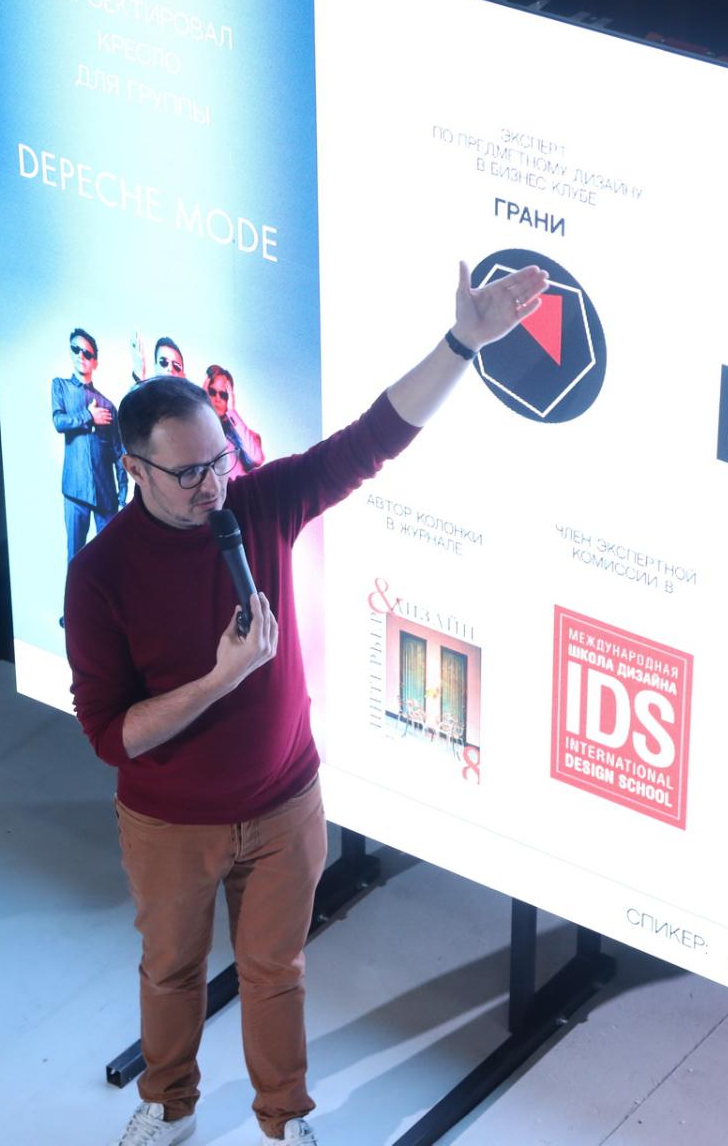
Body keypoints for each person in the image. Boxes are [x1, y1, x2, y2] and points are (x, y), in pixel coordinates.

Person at [65, 261, 548, 1146]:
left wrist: (462, 344)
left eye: (218, 460)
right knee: (170, 971)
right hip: (169, 825)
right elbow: (109, 735)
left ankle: (284, 1122)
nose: (213, 485)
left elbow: (372, 439)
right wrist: (221, 678)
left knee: (275, 971)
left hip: (285, 804)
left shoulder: (258, 503)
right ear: (133, 470)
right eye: (188, 474)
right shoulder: (100, 576)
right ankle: (169, 1104)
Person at [52, 327, 125, 570]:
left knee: (112, 560)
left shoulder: (108, 405)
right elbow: (59, 422)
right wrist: (89, 416)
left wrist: (123, 494)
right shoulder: (61, 387)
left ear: (95, 361)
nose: (81, 356)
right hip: (75, 490)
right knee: (76, 560)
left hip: (106, 495)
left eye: (87, 353)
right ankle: (75, 598)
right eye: (76, 349)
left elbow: (118, 452)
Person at [205, 364, 265, 476]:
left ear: (230, 397)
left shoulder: (243, 435)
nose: (217, 399)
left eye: (223, 395)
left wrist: (232, 412)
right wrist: (202, 404)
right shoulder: (195, 427)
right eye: (212, 392)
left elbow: (257, 458)